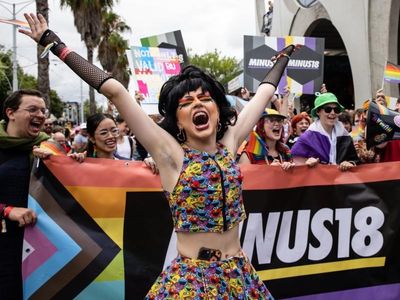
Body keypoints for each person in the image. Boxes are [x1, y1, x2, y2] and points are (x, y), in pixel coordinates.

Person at [21, 13, 296, 298]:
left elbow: (264, 93)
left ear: (217, 111)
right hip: (192, 283)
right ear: (177, 120)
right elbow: (115, 92)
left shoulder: (230, 143)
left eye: (205, 99)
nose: (197, 105)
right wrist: (54, 44)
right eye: (186, 103)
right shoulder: (170, 154)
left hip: (239, 276)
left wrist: (283, 59)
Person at [0, 89, 49, 299]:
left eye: (43, 110)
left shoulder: (48, 147)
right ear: (11, 113)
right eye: (32, 109)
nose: (40, 115)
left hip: (40, 246)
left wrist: (71, 162)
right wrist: (7, 210)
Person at [291, 92, 359, 170]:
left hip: (341, 181)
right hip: (319, 181)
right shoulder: (308, 137)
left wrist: (350, 163)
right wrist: (307, 162)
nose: (333, 113)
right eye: (328, 109)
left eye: (336, 110)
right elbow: (294, 163)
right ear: (318, 112)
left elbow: (355, 160)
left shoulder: (345, 135)